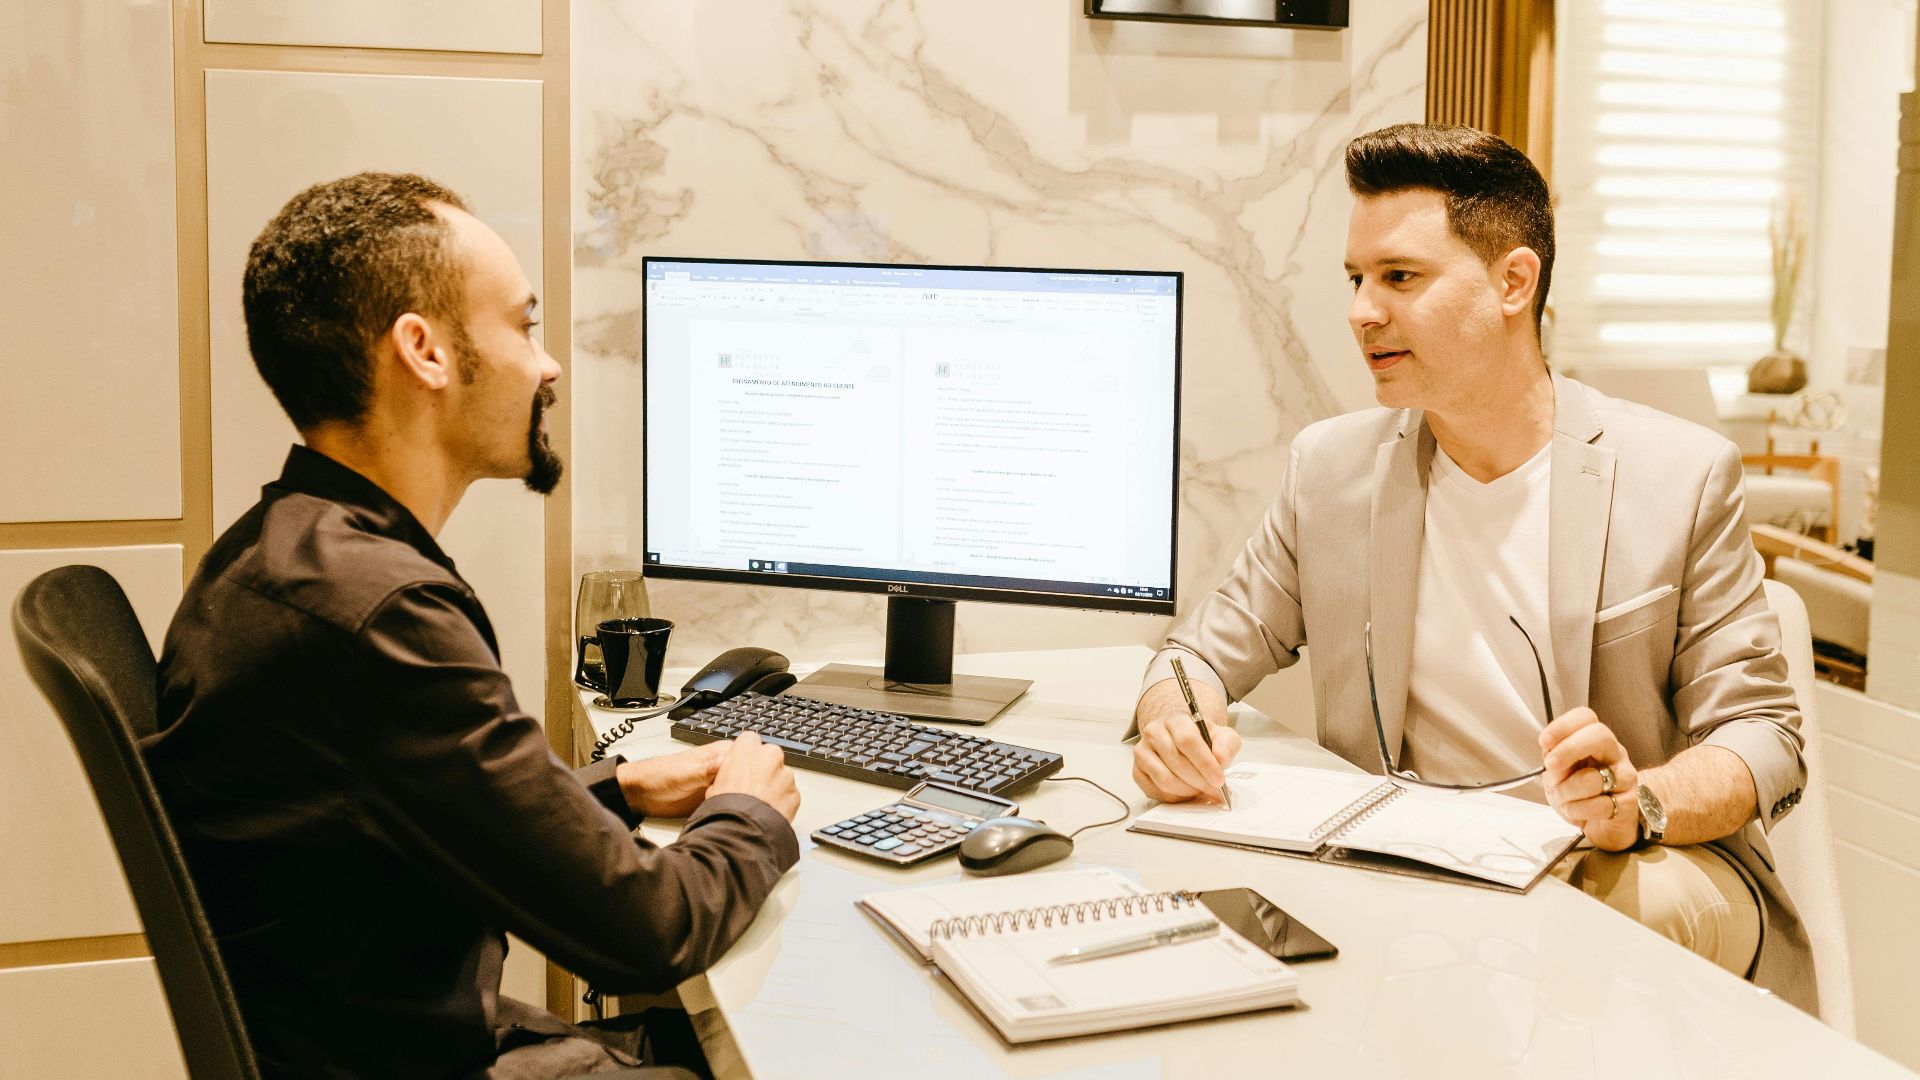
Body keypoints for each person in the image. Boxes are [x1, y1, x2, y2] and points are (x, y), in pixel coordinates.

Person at [1128, 124, 1814, 1011]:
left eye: (1400, 278)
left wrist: (1638, 800)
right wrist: (1173, 720)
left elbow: (1764, 738)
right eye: (1356, 279)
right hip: (1410, 856)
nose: (1361, 310)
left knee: (1579, 924)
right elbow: (1198, 656)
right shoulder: (1330, 470)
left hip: (1633, 856)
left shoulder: (1679, 475)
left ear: (1512, 283)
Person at [145, 172, 802, 1079]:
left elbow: (395, 816)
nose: (549, 366)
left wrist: (614, 789)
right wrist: (752, 815)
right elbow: (650, 932)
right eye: (525, 326)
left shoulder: (280, 553)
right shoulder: (378, 616)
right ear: (425, 351)